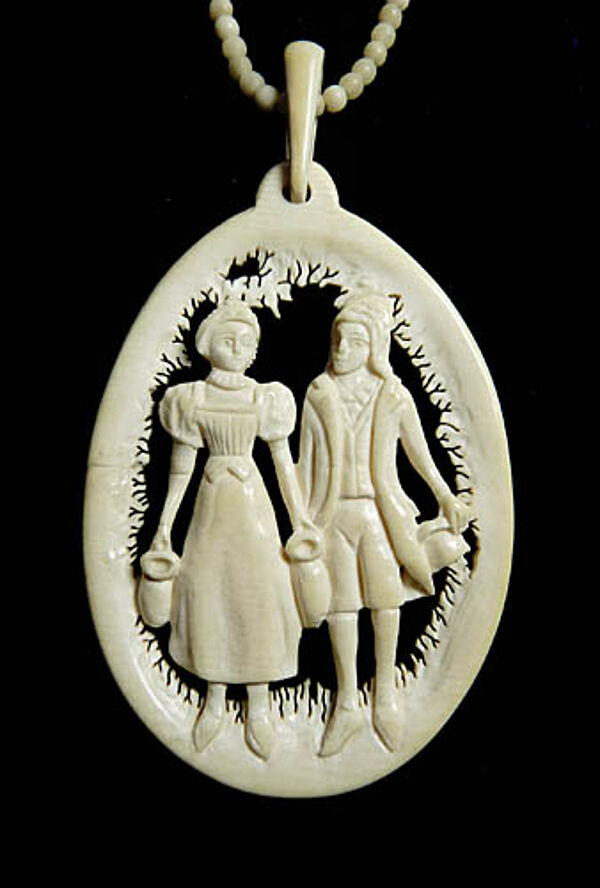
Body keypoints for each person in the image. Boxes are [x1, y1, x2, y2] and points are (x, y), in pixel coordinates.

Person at [297, 290, 471, 756]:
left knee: (385, 600)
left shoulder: (392, 394)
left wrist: (444, 496)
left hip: (378, 511)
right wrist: (299, 518)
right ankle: (347, 701)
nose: (342, 349)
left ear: (374, 346)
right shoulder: (318, 392)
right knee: (341, 606)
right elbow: (305, 461)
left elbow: (420, 453)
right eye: (338, 339)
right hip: (332, 515)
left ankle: (386, 695)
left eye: (354, 341)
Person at [141, 298, 312, 761]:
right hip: (211, 507)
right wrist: (163, 528)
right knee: (208, 589)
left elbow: (283, 464)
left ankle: (260, 702)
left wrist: (300, 519)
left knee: (261, 589)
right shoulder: (192, 399)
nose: (239, 348)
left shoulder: (265, 398)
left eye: (247, 342)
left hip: (253, 504)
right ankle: (213, 696)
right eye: (228, 340)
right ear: (207, 345)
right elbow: (180, 469)